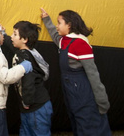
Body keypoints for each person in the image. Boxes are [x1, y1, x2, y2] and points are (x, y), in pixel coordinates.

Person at [40, 8, 111, 136]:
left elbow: (93, 74)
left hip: (83, 93)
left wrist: (102, 100)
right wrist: (46, 19)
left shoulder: (80, 44)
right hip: (71, 92)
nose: (57, 26)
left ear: (69, 25)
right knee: (78, 124)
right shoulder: (64, 41)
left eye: (59, 22)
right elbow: (54, 35)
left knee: (90, 126)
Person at [8, 21, 53, 136]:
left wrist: (27, 101)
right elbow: (15, 48)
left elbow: (28, 80)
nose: (11, 37)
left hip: (35, 107)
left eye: (14, 34)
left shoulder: (23, 56)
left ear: (25, 39)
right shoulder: (28, 53)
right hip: (32, 107)